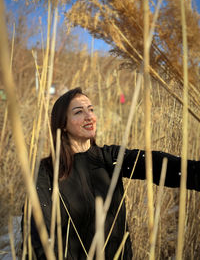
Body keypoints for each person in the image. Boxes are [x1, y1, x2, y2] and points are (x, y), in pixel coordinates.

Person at [25, 87, 200, 259]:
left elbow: (159, 164)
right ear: (62, 123)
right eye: (79, 112)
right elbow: (38, 232)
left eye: (91, 110)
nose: (90, 117)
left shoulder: (109, 157)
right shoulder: (46, 171)